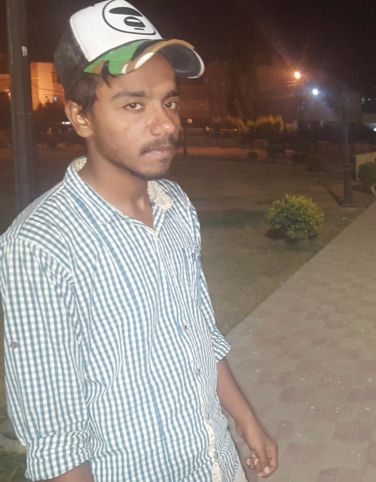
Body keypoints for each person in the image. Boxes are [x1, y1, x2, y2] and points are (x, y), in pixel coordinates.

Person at [0, 1, 277, 481]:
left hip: (216, 466)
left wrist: (246, 420)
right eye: (134, 104)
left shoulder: (174, 206)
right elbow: (57, 443)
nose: (166, 124)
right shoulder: (39, 246)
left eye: (169, 102)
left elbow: (199, 336)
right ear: (81, 117)